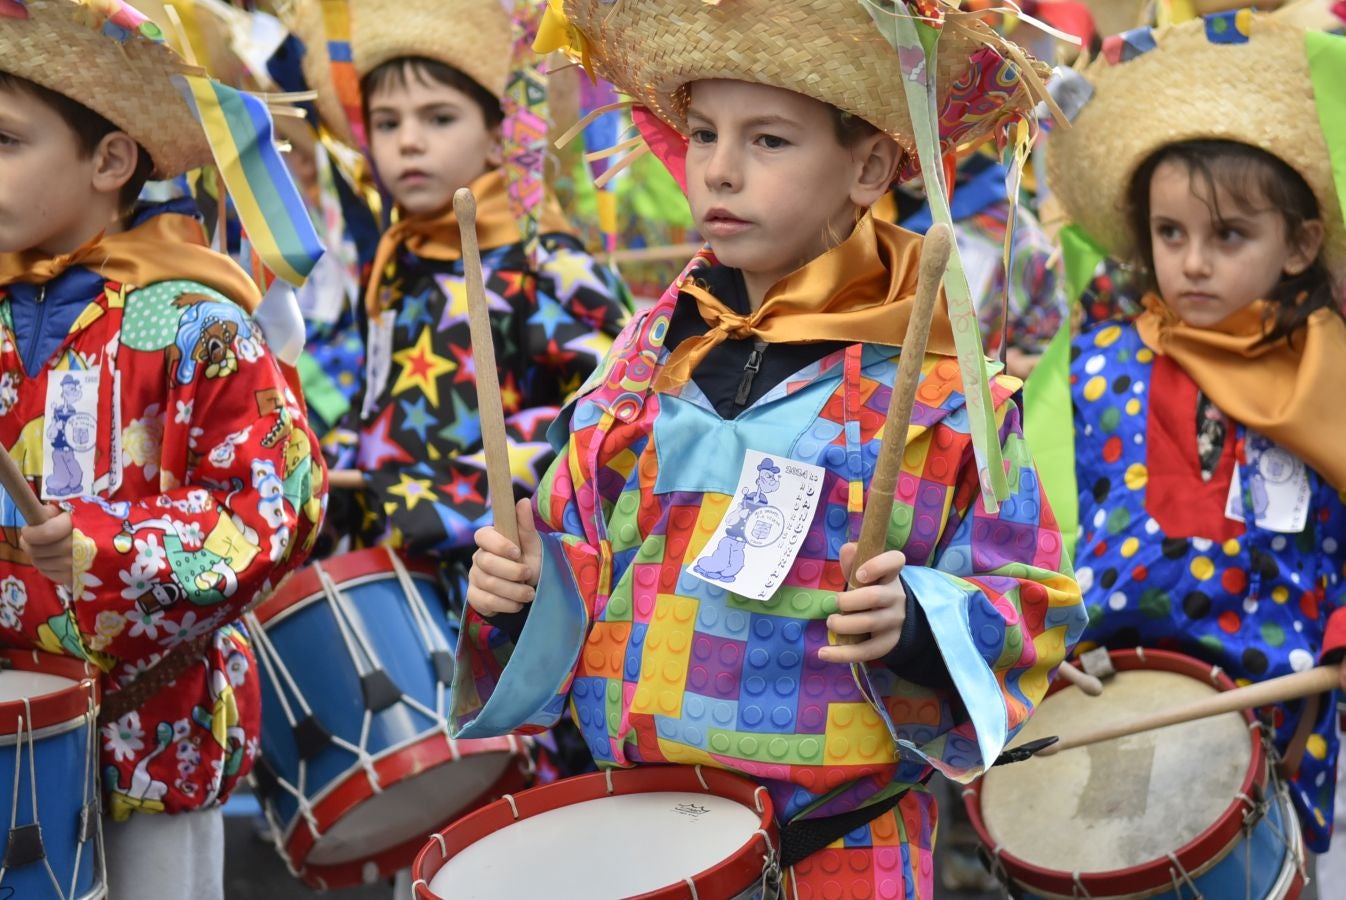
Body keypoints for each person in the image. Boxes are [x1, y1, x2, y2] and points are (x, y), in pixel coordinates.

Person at [454, 1, 1088, 895]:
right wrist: (515, 591)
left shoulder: (948, 396)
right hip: (643, 844)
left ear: (868, 165)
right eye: (705, 132)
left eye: (769, 141)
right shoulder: (642, 365)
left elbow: (1033, 602)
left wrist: (918, 622)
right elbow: (578, 566)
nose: (718, 170)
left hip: (839, 853)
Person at [0, 1, 326, 897]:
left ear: (110, 161)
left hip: (152, 739)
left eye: (4, 139)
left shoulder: (197, 325)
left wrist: (102, 547)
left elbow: (274, 508)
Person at [1048, 10, 1346, 854]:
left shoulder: (1330, 374)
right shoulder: (1088, 364)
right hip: (1107, 706)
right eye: (1171, 232)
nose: (1193, 262)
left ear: (1301, 244)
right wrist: (1038, 636)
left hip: (1278, 720)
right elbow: (1032, 518)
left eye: (1230, 235)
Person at [306, 0, 631, 563]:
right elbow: (373, 405)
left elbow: (608, 411)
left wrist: (445, 493)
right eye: (388, 122)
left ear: (496, 136)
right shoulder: (395, 263)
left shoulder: (543, 261)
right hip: (392, 564)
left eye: (438, 118)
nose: (408, 141)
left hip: (500, 579)